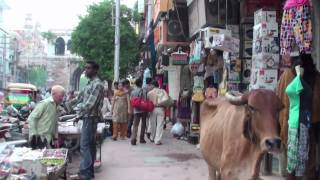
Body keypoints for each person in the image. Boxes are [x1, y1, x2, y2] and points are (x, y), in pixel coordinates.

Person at [68, 61, 104, 180]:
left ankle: (85, 173)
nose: (86, 70)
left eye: (88, 68)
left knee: (85, 146)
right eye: (85, 68)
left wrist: (76, 109)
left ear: (95, 70)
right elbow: (79, 99)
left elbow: (89, 104)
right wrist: (66, 104)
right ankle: (89, 172)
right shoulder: (89, 84)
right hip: (87, 117)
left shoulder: (98, 84)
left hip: (91, 118)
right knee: (90, 145)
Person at [28, 85, 65, 149]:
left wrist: (56, 138)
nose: (62, 98)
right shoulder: (45, 104)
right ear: (53, 94)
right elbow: (32, 118)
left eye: (63, 96)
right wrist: (34, 134)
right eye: (60, 96)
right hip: (39, 137)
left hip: (48, 137)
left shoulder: (57, 107)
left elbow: (55, 123)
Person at [147, 80, 167, 145]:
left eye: (151, 85)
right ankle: (157, 140)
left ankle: (152, 138)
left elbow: (148, 102)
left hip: (152, 109)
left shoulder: (149, 93)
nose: (150, 86)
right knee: (160, 125)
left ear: (153, 85)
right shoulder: (163, 91)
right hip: (161, 109)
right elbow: (166, 100)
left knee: (153, 124)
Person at [130, 78, 147, 145]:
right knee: (143, 124)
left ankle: (133, 139)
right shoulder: (144, 91)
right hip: (143, 110)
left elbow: (131, 101)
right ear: (141, 83)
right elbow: (145, 100)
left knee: (135, 125)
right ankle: (141, 139)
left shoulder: (133, 92)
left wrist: (131, 109)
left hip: (136, 110)